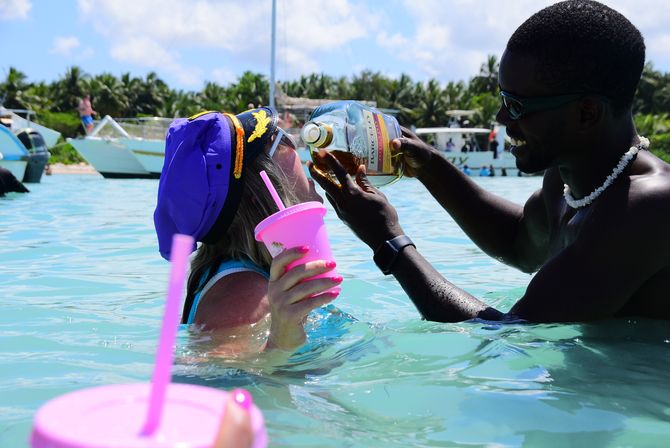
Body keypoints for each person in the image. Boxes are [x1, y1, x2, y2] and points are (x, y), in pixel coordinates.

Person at [308, 0, 670, 323]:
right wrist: (430, 167)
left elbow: (508, 334)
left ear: (587, 113)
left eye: (516, 105)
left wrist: (388, 241)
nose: (500, 117)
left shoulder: (648, 208)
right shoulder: (563, 180)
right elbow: (517, 243)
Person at [154, 107, 342, 352]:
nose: (305, 156)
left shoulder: (239, 277)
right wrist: (279, 345)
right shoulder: (246, 293)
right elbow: (209, 377)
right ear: (262, 192)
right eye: (284, 140)